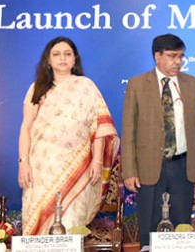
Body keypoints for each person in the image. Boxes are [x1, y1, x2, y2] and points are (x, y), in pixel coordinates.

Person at [18, 36, 119, 235]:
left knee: (71, 221)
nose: (62, 58)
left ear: (74, 59)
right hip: (41, 168)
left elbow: (99, 126)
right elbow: (26, 127)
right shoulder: (36, 89)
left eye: (67, 54)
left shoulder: (86, 86)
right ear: (48, 60)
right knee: (39, 219)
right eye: (56, 54)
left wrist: (97, 160)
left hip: (77, 167)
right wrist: (23, 162)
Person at [122, 34, 195, 247]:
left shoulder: (192, 84)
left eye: (181, 56)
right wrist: (129, 170)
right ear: (157, 56)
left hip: (182, 164)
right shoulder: (137, 84)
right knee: (149, 224)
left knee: (181, 224)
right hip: (149, 166)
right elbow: (129, 130)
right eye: (171, 56)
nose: (178, 61)